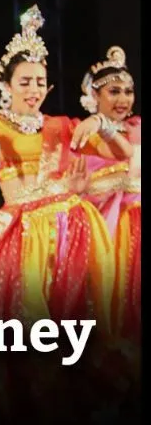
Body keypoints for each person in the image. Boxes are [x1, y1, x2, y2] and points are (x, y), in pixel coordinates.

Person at [0, 6, 131, 325]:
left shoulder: (63, 126)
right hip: (19, 231)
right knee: (23, 318)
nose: (34, 90)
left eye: (40, 82)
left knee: (76, 318)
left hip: (68, 227)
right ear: (5, 85)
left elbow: (122, 153)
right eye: (25, 82)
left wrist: (102, 123)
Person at [78, 47, 141, 343]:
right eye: (114, 91)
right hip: (105, 231)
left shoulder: (137, 129)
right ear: (95, 95)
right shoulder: (84, 137)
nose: (123, 99)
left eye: (128, 91)